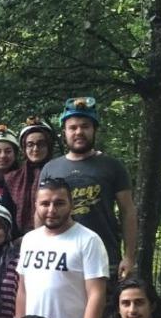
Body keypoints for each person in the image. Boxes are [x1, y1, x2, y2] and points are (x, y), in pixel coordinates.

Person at [15, 178, 107, 318]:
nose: (51, 210)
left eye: (59, 203)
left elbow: (97, 294)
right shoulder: (30, 240)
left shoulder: (88, 240)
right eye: (45, 203)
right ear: (36, 205)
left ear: (71, 205)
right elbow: (23, 290)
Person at [41, 97, 138, 280]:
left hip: (104, 259)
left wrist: (129, 256)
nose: (79, 132)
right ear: (64, 132)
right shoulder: (50, 168)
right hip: (60, 260)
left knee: (103, 308)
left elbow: (128, 211)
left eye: (85, 126)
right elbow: (41, 212)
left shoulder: (112, 166)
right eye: (73, 127)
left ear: (95, 130)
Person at [3, 117, 55, 235]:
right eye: (30, 145)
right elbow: (7, 215)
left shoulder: (59, 172)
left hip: (54, 237)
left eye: (41, 144)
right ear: (24, 148)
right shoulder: (12, 178)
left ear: (49, 146)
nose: (35, 149)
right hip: (18, 241)